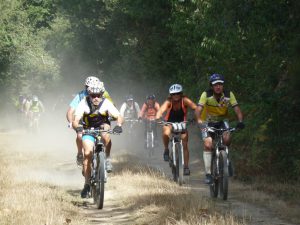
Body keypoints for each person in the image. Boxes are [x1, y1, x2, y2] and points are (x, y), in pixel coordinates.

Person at [72, 81, 123, 198]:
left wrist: (119, 125)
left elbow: (119, 116)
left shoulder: (106, 103)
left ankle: (108, 158)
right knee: (88, 153)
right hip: (88, 130)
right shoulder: (83, 103)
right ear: (89, 95)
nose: (96, 98)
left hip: (102, 127)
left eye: (98, 95)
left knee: (106, 134)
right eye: (93, 96)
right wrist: (78, 127)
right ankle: (87, 185)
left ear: (102, 95)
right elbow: (76, 119)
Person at [195, 73, 245, 184]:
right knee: (208, 144)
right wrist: (199, 121)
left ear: (223, 85)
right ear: (211, 86)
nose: (218, 87)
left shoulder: (228, 94)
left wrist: (240, 121)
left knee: (227, 139)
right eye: (215, 85)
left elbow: (237, 109)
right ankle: (208, 174)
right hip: (207, 122)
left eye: (220, 84)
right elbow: (198, 109)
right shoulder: (206, 94)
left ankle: (226, 161)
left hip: (222, 121)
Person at [66, 76, 113, 166]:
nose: (89, 89)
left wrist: (111, 116)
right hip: (83, 120)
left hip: (99, 120)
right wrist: (71, 123)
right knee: (80, 135)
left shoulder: (104, 93)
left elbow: (112, 106)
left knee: (105, 134)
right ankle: (80, 154)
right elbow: (70, 112)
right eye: (87, 87)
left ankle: (106, 158)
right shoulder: (81, 95)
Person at [156, 84, 197, 176]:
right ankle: (166, 149)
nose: (176, 96)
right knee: (166, 132)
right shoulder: (168, 101)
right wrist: (158, 118)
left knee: (185, 144)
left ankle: (186, 167)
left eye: (178, 93)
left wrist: (194, 118)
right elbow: (161, 110)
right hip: (169, 122)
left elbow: (196, 107)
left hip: (182, 122)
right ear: (171, 95)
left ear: (181, 93)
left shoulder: (185, 100)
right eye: (174, 94)